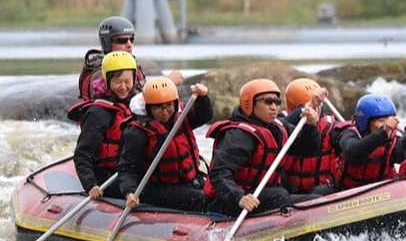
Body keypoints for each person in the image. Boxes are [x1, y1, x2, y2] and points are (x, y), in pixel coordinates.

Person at [205, 78, 321, 217]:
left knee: (288, 194)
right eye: (267, 102)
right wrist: (239, 198)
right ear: (250, 104)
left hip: (262, 194)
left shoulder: (278, 127)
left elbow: (308, 150)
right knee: (279, 194)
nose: (274, 107)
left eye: (277, 102)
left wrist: (310, 126)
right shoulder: (238, 135)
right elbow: (219, 173)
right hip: (230, 201)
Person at [117, 76, 213, 212]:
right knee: (200, 199)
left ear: (174, 103)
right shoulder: (137, 132)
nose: (165, 112)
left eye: (168, 106)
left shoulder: (182, 117)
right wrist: (129, 192)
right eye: (158, 108)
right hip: (157, 188)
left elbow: (205, 115)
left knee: (215, 192)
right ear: (148, 108)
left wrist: (203, 98)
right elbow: (127, 168)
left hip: (189, 181)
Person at [67, 51, 139, 199]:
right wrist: (91, 185)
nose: (124, 87)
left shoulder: (139, 107)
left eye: (127, 81)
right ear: (107, 81)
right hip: (107, 177)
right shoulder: (98, 113)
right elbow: (82, 155)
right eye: (118, 82)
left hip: (130, 173)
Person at [281, 78, 347, 195]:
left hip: (324, 188)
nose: (315, 109)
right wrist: (308, 106)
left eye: (316, 104)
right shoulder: (279, 124)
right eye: (312, 104)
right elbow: (281, 125)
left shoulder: (332, 127)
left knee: (319, 191)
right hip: (291, 191)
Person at [334, 93, 404, 190]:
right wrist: (382, 133)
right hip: (349, 193)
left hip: (382, 193)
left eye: (389, 120)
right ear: (365, 121)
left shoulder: (393, 139)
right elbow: (352, 152)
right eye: (381, 120)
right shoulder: (348, 135)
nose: (387, 125)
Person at [78, 16, 146, 100]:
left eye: (131, 39)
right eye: (122, 40)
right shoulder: (100, 74)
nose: (129, 44)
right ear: (107, 43)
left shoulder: (133, 67)